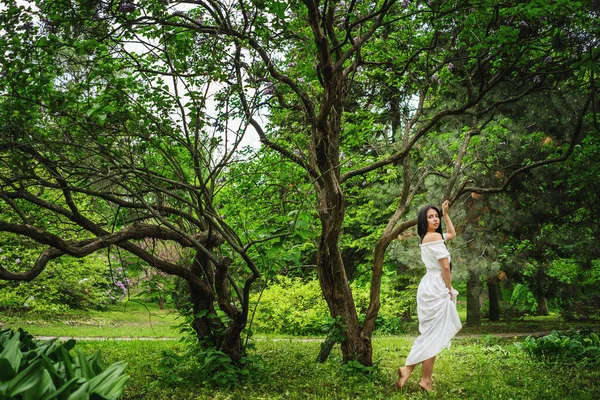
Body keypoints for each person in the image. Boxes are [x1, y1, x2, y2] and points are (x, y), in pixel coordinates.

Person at [396, 200, 462, 392]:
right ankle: (418, 375)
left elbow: (452, 234)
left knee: (431, 334)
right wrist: (449, 288)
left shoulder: (430, 236)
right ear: (423, 221)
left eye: (436, 216)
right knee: (432, 334)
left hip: (428, 284)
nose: (435, 219)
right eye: (430, 217)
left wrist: (446, 214)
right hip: (436, 287)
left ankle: (415, 373)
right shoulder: (433, 238)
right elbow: (446, 267)